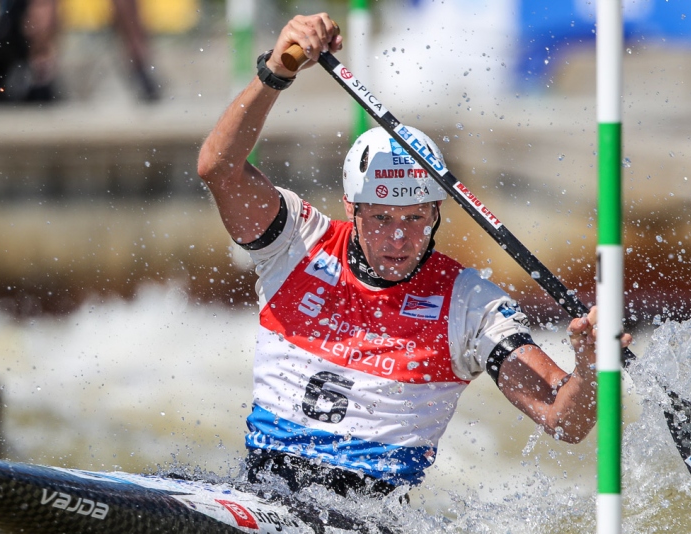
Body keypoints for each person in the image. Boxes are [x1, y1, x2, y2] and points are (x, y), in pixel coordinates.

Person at [197, 13, 629, 498]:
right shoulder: (296, 241)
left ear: (437, 212)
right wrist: (276, 70)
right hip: (260, 493)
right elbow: (218, 167)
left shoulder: (471, 307)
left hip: (367, 523)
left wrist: (591, 368)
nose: (399, 238)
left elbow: (563, 419)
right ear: (351, 207)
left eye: (415, 218)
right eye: (381, 218)